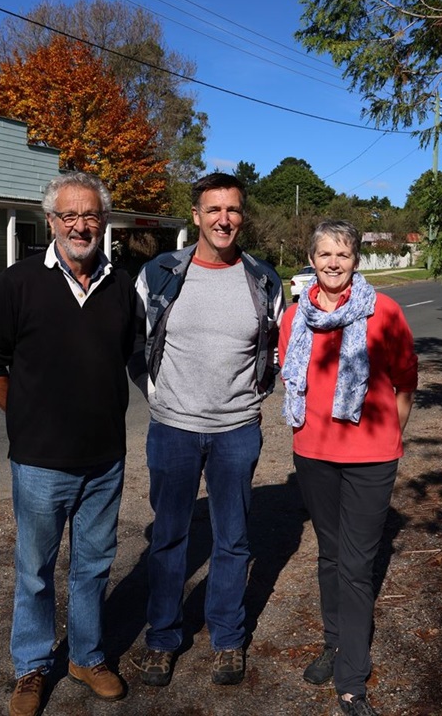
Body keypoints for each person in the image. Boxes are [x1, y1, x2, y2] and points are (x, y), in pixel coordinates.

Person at [0, 172, 138, 716]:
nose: (80, 225)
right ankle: (31, 667)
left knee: (93, 566)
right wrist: (23, 415)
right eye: (68, 216)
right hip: (40, 463)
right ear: (50, 222)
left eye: (90, 215)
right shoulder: (20, 282)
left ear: (104, 221)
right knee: (34, 571)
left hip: (104, 461)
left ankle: (87, 657)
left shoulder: (121, 285)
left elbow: (134, 359)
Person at [130, 172, 285, 687]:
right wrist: (156, 397)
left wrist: (253, 400)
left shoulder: (264, 279)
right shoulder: (160, 273)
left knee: (234, 540)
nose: (224, 219)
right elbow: (135, 344)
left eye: (233, 210)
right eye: (213, 209)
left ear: (242, 216)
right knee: (168, 539)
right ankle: (163, 637)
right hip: (172, 429)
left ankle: (227, 637)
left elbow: (273, 352)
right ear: (195, 215)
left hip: (236, 431)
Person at [278, 220, 418, 716]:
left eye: (342, 254)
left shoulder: (386, 312)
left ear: (356, 260)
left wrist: (387, 436)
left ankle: (352, 681)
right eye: (324, 254)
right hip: (312, 454)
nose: (333, 262)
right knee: (330, 556)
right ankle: (334, 641)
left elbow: (405, 382)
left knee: (357, 567)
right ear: (311, 260)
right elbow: (292, 382)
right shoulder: (294, 318)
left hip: (370, 458)